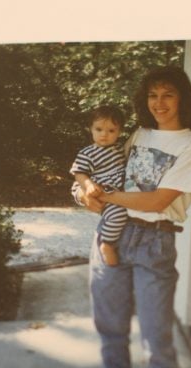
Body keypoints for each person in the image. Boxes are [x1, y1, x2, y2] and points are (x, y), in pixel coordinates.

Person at [77, 65, 191, 368]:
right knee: (111, 332)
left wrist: (107, 197)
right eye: (153, 95)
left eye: (168, 94)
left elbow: (156, 199)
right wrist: (84, 191)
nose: (159, 103)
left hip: (153, 244)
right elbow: (98, 177)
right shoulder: (136, 135)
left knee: (158, 347)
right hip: (114, 237)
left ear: (183, 99)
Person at [70, 105, 128, 266]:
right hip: (103, 192)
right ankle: (107, 244)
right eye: (99, 129)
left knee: (122, 214)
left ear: (119, 132)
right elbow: (79, 173)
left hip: (119, 192)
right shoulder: (87, 153)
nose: (104, 134)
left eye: (111, 131)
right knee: (119, 215)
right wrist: (88, 185)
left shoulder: (119, 149)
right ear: (91, 129)